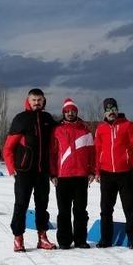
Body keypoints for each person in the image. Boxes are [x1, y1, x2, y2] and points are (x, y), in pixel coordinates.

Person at [2, 88, 58, 252]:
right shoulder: (21, 119)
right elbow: (8, 148)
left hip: (42, 171)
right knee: (21, 205)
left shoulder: (48, 119)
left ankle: (42, 237)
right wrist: (12, 169)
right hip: (24, 171)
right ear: (28, 100)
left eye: (39, 100)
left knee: (42, 205)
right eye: (34, 100)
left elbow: (57, 139)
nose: (37, 103)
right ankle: (18, 238)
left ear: (43, 101)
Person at [94, 97, 133, 249]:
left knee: (129, 207)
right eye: (108, 110)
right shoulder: (100, 128)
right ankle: (106, 239)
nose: (111, 112)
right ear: (104, 112)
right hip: (106, 174)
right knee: (106, 209)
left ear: (117, 110)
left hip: (126, 174)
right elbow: (97, 150)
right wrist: (96, 170)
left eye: (114, 109)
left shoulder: (128, 125)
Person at [50, 98, 95, 249]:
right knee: (63, 211)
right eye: (67, 111)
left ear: (76, 112)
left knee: (80, 210)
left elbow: (92, 153)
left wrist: (92, 171)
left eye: (73, 111)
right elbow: (52, 154)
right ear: (64, 113)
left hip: (81, 176)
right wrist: (52, 174)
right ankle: (64, 241)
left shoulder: (85, 130)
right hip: (62, 177)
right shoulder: (57, 130)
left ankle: (81, 240)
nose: (70, 113)